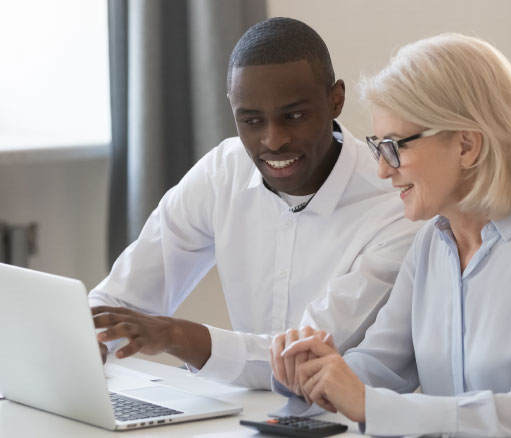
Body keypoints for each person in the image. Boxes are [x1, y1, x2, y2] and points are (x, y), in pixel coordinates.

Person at [271, 33, 511, 437]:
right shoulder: (432, 241)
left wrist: (370, 403)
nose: (383, 170)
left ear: (466, 145)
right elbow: (384, 365)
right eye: (379, 147)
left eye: (395, 147)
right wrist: (317, 374)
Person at [89, 17, 420, 390]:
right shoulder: (223, 171)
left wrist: (175, 335)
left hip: (341, 423)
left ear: (335, 100)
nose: (273, 140)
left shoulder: (394, 204)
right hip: (241, 414)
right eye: (251, 120)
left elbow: (306, 357)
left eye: (293, 116)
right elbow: (121, 298)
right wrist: (85, 340)